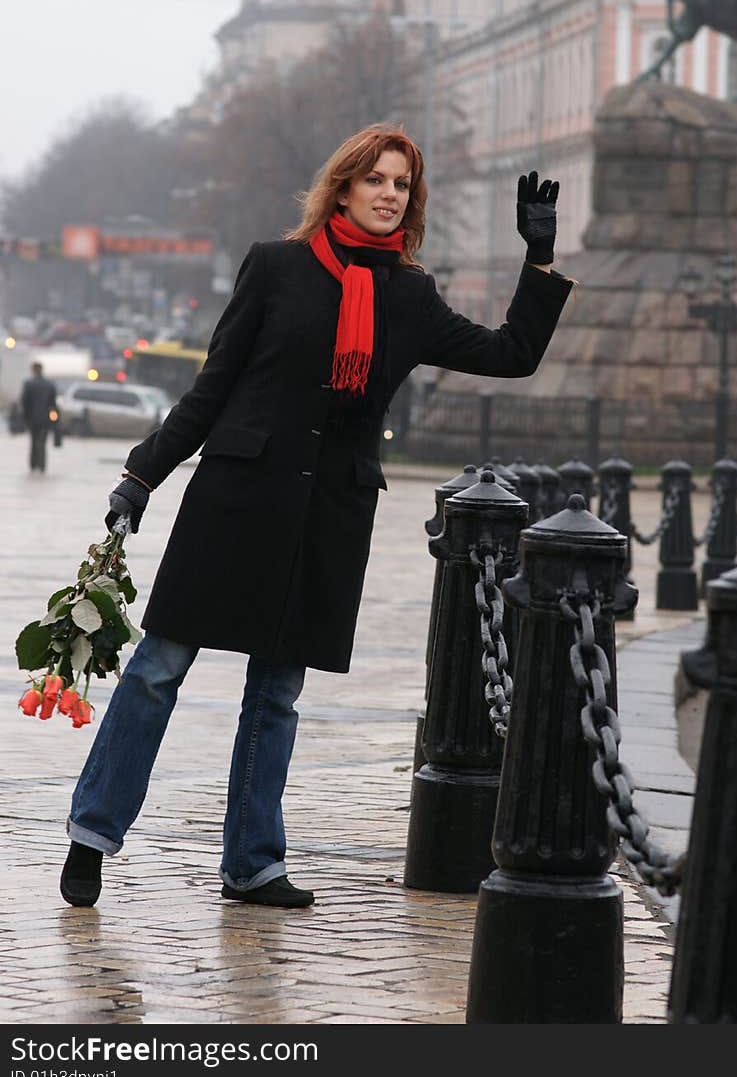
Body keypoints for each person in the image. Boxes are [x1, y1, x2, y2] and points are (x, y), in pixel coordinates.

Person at [60, 125, 572, 909]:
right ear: (342, 187)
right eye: (376, 179)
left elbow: (512, 354)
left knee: (277, 695)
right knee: (158, 667)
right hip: (236, 500)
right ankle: (93, 835)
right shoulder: (277, 267)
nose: (390, 193)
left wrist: (538, 263)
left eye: (403, 183)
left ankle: (253, 863)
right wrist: (143, 474)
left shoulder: (411, 296)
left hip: (326, 515)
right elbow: (214, 386)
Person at [19, 361, 57, 473]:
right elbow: (53, 404)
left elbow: (24, 402)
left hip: (32, 419)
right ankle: (42, 465)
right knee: (43, 442)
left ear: (33, 370)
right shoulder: (49, 384)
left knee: (33, 441)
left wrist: (25, 417)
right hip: (45, 419)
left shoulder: (29, 384)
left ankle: (33, 465)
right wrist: (54, 419)